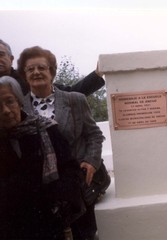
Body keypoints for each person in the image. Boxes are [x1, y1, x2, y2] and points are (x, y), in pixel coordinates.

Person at [17, 46, 105, 240]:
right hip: (40, 192)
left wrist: (91, 161)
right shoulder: (18, 107)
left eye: (42, 67)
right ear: (24, 75)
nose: (36, 72)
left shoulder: (75, 100)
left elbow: (94, 135)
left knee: (85, 234)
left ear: (52, 72)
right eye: (30, 69)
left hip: (77, 185)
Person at [0, 76, 85, 239]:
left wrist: (64, 198)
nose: (5, 110)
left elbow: (69, 167)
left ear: (19, 101)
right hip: (11, 226)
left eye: (9, 101)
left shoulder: (45, 129)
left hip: (50, 221)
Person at [0, 39, 105, 96]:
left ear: (11, 58)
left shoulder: (28, 79)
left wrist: (97, 74)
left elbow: (71, 93)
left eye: (1, 54)